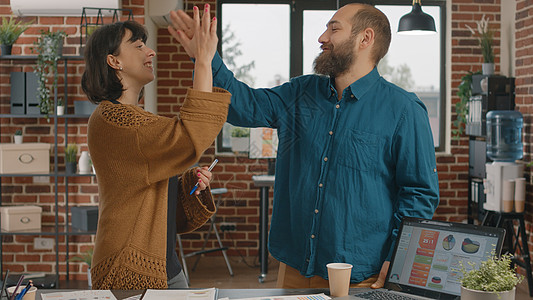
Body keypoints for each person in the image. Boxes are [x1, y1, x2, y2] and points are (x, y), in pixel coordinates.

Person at [169, 3, 439, 289]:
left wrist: (398, 255)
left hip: (362, 273)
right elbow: (244, 105)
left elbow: (418, 194)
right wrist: (205, 58)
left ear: (365, 38)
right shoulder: (299, 92)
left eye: (334, 29)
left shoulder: (404, 109)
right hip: (296, 264)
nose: (322, 37)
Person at [82, 6, 230, 290]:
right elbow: (189, 136)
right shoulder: (113, 120)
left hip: (164, 266)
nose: (150, 52)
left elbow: (146, 192)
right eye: (138, 46)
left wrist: (187, 182)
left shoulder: (136, 120)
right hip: (128, 269)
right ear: (114, 61)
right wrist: (202, 60)